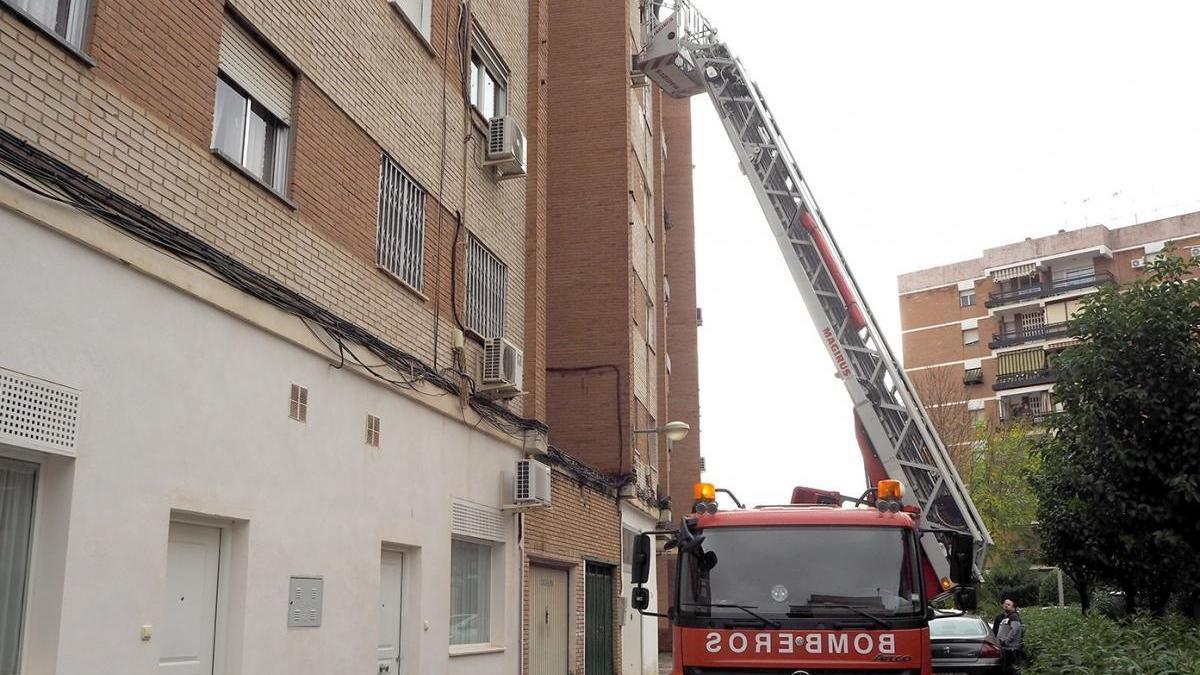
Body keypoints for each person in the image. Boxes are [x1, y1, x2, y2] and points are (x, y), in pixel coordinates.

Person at [992, 598, 1025, 674]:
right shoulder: (1006, 617)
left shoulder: (1014, 616)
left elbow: (1014, 630)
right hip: (1005, 648)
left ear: (1013, 607)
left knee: (1011, 670)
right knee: (1006, 669)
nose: (1006, 605)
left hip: (1011, 649)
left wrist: (1006, 641)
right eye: (1005, 603)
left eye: (1008, 604)